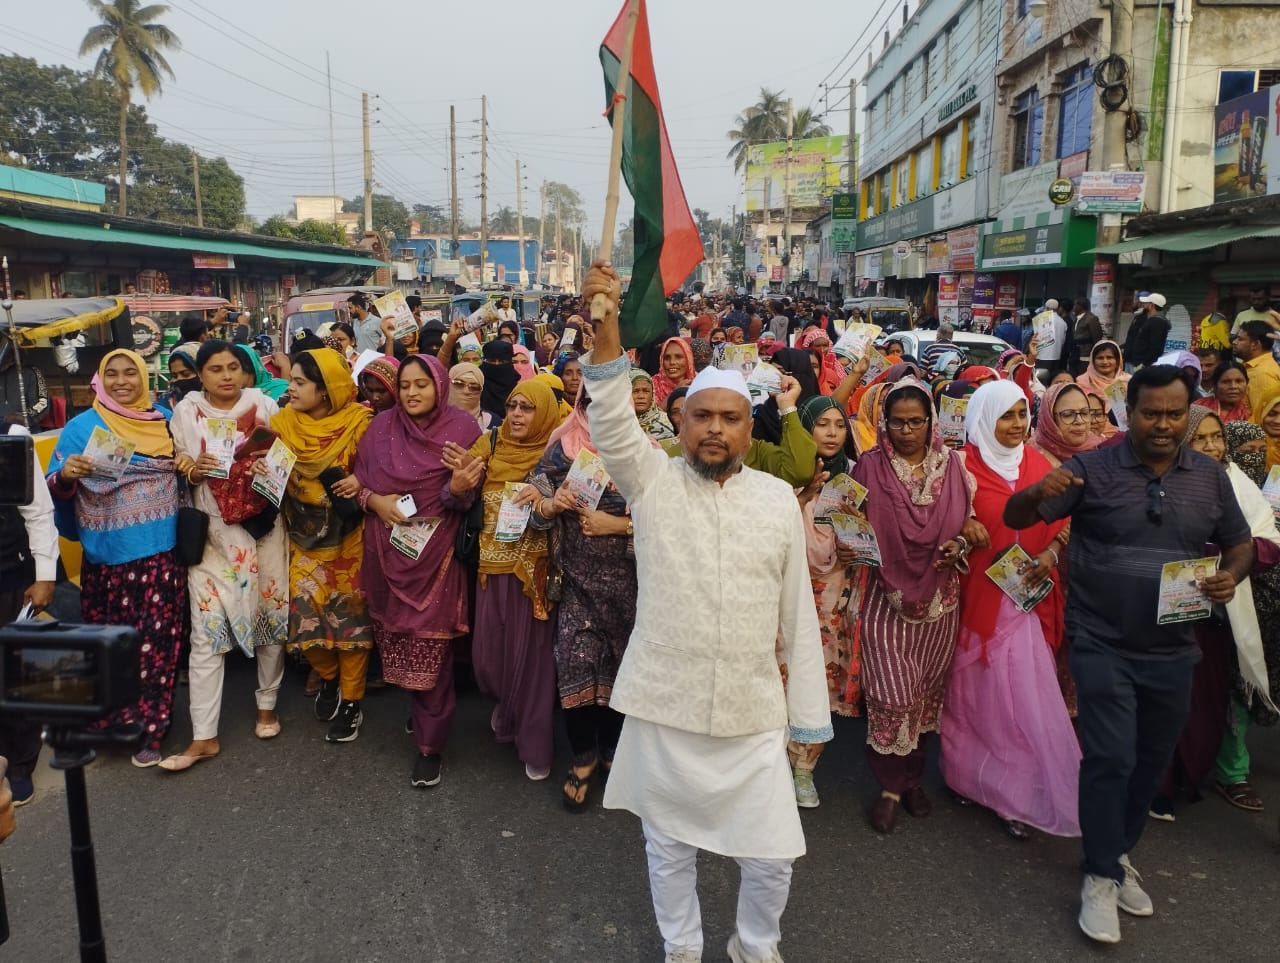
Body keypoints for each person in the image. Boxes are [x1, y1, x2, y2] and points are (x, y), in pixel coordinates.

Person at [577, 262, 830, 963]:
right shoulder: (653, 483)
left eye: (729, 418)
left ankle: (755, 946)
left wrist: (807, 713)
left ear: (750, 427)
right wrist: (606, 332)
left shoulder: (776, 498)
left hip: (751, 713)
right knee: (668, 848)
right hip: (667, 705)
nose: (714, 431)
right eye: (701, 417)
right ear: (680, 422)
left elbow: (798, 615)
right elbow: (612, 424)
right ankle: (681, 947)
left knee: (773, 856)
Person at [1003, 364, 1254, 946]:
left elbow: (1239, 543)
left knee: (1148, 761)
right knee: (1111, 757)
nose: (1162, 424)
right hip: (1101, 641)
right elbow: (1017, 519)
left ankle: (1116, 856)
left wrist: (1231, 576)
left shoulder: (1210, 478)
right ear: (1129, 412)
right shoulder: (1090, 468)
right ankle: (1098, 875)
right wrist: (1038, 492)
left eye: (1174, 413)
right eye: (1150, 413)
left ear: (1188, 414)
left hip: (1174, 648)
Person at [943, 381, 1079, 840]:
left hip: (1027, 601)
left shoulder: (1042, 464)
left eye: (1022, 415)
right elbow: (942, 519)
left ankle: (1015, 794)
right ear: (984, 418)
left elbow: (1063, 523)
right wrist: (967, 523)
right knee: (976, 696)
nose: (1017, 425)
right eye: (1006, 416)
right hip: (977, 599)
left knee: (1020, 699)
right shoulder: (960, 467)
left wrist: (1052, 555)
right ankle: (966, 776)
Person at [850, 377, 986, 834]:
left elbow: (970, 523)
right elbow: (846, 524)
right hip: (886, 600)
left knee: (926, 697)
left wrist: (960, 545)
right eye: (898, 422)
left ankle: (912, 781)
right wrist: (850, 548)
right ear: (883, 424)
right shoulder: (867, 468)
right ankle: (890, 785)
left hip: (941, 603)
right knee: (892, 696)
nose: (907, 431)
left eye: (916, 422)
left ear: (931, 422)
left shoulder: (957, 468)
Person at [47, 349, 187, 768]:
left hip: (160, 555)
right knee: (110, 647)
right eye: (113, 374)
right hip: (107, 560)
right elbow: (56, 486)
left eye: (131, 373)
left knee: (157, 648)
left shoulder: (164, 421)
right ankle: (109, 722)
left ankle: (152, 729)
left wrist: (184, 462)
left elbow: (188, 468)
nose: (122, 381)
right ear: (99, 380)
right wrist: (66, 476)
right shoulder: (81, 427)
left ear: (145, 378)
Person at [353, 354, 481, 788]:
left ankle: (431, 746)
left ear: (440, 385)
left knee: (431, 652)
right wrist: (375, 501)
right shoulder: (380, 428)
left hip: (436, 558)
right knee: (401, 645)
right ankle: (422, 713)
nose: (411, 392)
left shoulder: (462, 431)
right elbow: (359, 486)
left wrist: (457, 489)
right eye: (405, 384)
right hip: (386, 554)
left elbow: (466, 502)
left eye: (421, 384)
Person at [161, 340, 289, 771]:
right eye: (215, 369)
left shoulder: (263, 405)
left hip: (261, 530)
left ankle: (267, 706)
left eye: (234, 367)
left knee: (269, 617)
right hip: (212, 534)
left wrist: (265, 468)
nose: (226, 376)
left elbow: (284, 460)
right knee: (206, 633)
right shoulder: (187, 411)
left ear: (246, 370)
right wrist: (189, 466)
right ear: (201, 374)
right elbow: (181, 459)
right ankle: (204, 736)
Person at [1152, 408, 1280, 818]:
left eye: (1216, 437)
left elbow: (1267, 539)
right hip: (1167, 607)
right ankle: (1157, 781)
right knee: (1164, 696)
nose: (1211, 446)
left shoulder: (1237, 482)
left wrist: (1230, 562)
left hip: (1219, 612)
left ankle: (1191, 775)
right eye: (1200, 439)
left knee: (1204, 699)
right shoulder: (1162, 479)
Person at [528, 380, 648, 811]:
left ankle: (615, 749)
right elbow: (533, 507)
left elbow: (669, 521)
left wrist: (620, 525)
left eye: (612, 406)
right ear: (581, 406)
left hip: (631, 584)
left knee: (622, 669)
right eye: (593, 406)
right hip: (576, 580)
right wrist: (551, 504)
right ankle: (583, 756)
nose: (602, 415)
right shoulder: (561, 449)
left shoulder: (646, 455)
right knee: (576, 663)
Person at [443, 379, 559, 781]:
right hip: (490, 571)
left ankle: (534, 743)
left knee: (533, 666)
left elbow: (573, 504)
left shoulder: (556, 451)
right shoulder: (489, 446)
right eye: (512, 406)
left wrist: (545, 498)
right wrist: (458, 484)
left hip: (534, 575)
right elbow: (456, 499)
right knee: (490, 661)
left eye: (528, 408)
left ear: (543, 412)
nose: (517, 415)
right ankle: (507, 709)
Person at [271, 349, 375, 743]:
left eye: (300, 382)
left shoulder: (361, 424)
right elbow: (267, 477)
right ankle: (328, 678)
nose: (291, 387)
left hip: (351, 540)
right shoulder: (281, 426)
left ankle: (352, 701)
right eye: (291, 380)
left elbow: (379, 472)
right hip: (303, 540)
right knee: (303, 616)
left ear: (326, 390)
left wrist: (362, 485)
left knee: (350, 623)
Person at [789, 395, 865, 809]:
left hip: (834, 595)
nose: (832, 432)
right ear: (806, 429)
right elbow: (770, 529)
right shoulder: (786, 473)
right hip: (790, 591)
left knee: (820, 682)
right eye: (822, 424)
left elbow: (864, 533)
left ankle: (805, 768)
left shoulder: (853, 478)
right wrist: (801, 497)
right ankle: (775, 762)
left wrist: (856, 548)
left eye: (839, 424)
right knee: (783, 677)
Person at [0, 417, 58, 805]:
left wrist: (45, 576)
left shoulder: (12, 436)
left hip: (9, 577)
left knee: (15, 674)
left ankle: (20, 764)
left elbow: (37, 512)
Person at [1232, 321, 1280, 416]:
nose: (1234, 342)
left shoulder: (1262, 373)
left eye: (1240, 339)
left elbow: (1262, 416)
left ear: (1255, 344)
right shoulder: (1254, 367)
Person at [1123, 294, 1171, 370]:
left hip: (1141, 365)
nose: (1144, 303)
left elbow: (1155, 347)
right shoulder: (1149, 319)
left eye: (1147, 302)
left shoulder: (1158, 322)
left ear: (1152, 305)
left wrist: (1144, 364)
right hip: (1134, 362)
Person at [629, 369, 676, 444]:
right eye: (635, 391)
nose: (641, 396)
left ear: (652, 394)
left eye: (646, 391)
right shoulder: (619, 423)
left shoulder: (666, 422)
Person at [479, 339, 520, 424]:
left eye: (502, 361)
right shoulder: (477, 385)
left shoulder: (517, 386)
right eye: (492, 361)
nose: (497, 365)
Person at [448, 363, 494, 431]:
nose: (466, 391)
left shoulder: (493, 423)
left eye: (474, 387)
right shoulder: (432, 419)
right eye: (459, 383)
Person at [653, 337, 694, 407]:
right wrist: (676, 392)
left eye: (678, 357)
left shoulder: (699, 383)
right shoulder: (652, 385)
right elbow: (652, 417)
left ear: (688, 359)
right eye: (667, 357)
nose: (672, 362)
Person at [1071, 300, 1103, 374]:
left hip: (1086, 353)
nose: (1073, 308)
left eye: (1075, 305)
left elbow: (1097, 337)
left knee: (1083, 372)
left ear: (1081, 306)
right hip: (1075, 352)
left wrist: (1095, 353)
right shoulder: (1076, 318)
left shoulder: (1091, 319)